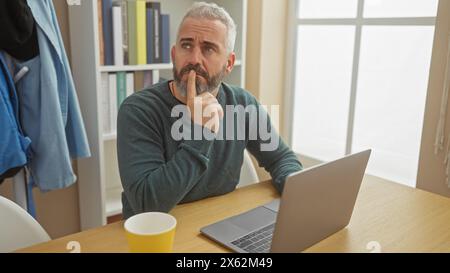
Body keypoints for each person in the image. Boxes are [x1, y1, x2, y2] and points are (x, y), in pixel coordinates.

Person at [117, 2, 302, 219]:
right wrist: (200, 134)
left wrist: (300, 195)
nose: (194, 59)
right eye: (186, 46)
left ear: (229, 63)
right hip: (155, 234)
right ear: (174, 54)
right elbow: (146, 204)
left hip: (218, 224)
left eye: (209, 48)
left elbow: (282, 159)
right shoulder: (139, 110)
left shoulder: (242, 104)